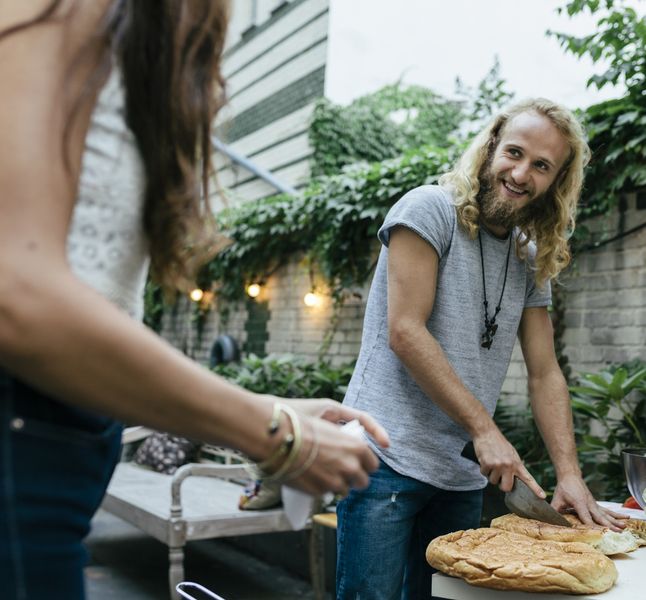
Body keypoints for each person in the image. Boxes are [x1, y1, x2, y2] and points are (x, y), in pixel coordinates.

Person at [0, 2, 389, 598]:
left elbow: (93, 302)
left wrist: (261, 405)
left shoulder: (149, 31)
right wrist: (275, 433)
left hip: (60, 458)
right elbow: (16, 294)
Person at [335, 98, 626, 599]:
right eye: (513, 152)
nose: (520, 173)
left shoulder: (528, 254)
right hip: (383, 457)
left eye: (541, 166)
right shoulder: (427, 209)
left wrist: (570, 475)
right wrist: (485, 430)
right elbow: (405, 330)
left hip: (460, 477)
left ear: (556, 181)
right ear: (491, 147)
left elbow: (544, 372)